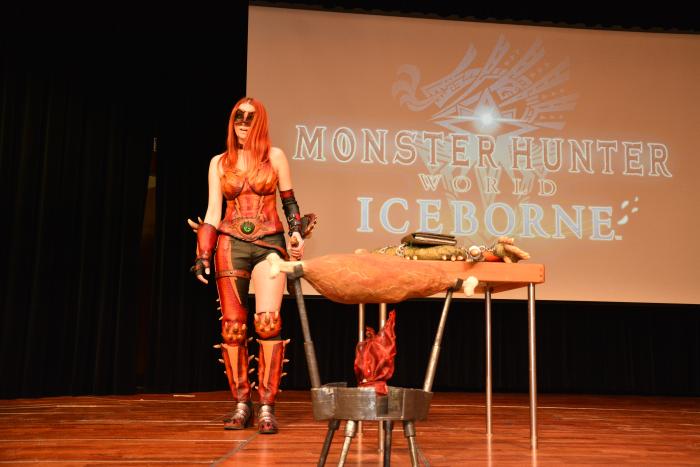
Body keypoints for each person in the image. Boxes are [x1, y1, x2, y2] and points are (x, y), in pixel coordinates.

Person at [191, 97, 307, 434]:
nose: (243, 123)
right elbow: (213, 211)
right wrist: (203, 253)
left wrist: (296, 233)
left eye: (249, 118)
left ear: (261, 122)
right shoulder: (219, 163)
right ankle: (242, 403)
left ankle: (267, 406)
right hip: (231, 244)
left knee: (268, 322)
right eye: (238, 117)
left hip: (269, 242)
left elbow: (289, 202)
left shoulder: (275, 157)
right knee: (232, 327)